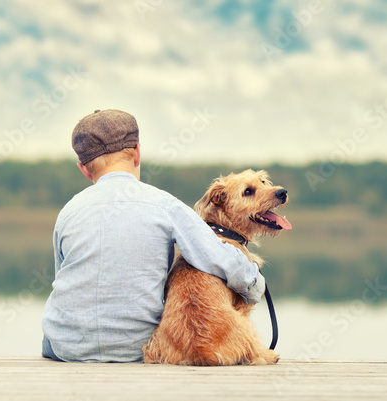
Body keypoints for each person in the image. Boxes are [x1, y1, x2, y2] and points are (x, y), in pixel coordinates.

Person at [41, 109, 265, 362]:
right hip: (136, 348)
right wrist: (255, 285)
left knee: (51, 332)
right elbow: (218, 258)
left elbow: (62, 276)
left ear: (83, 168)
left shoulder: (69, 211)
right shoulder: (165, 205)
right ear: (137, 152)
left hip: (67, 347)